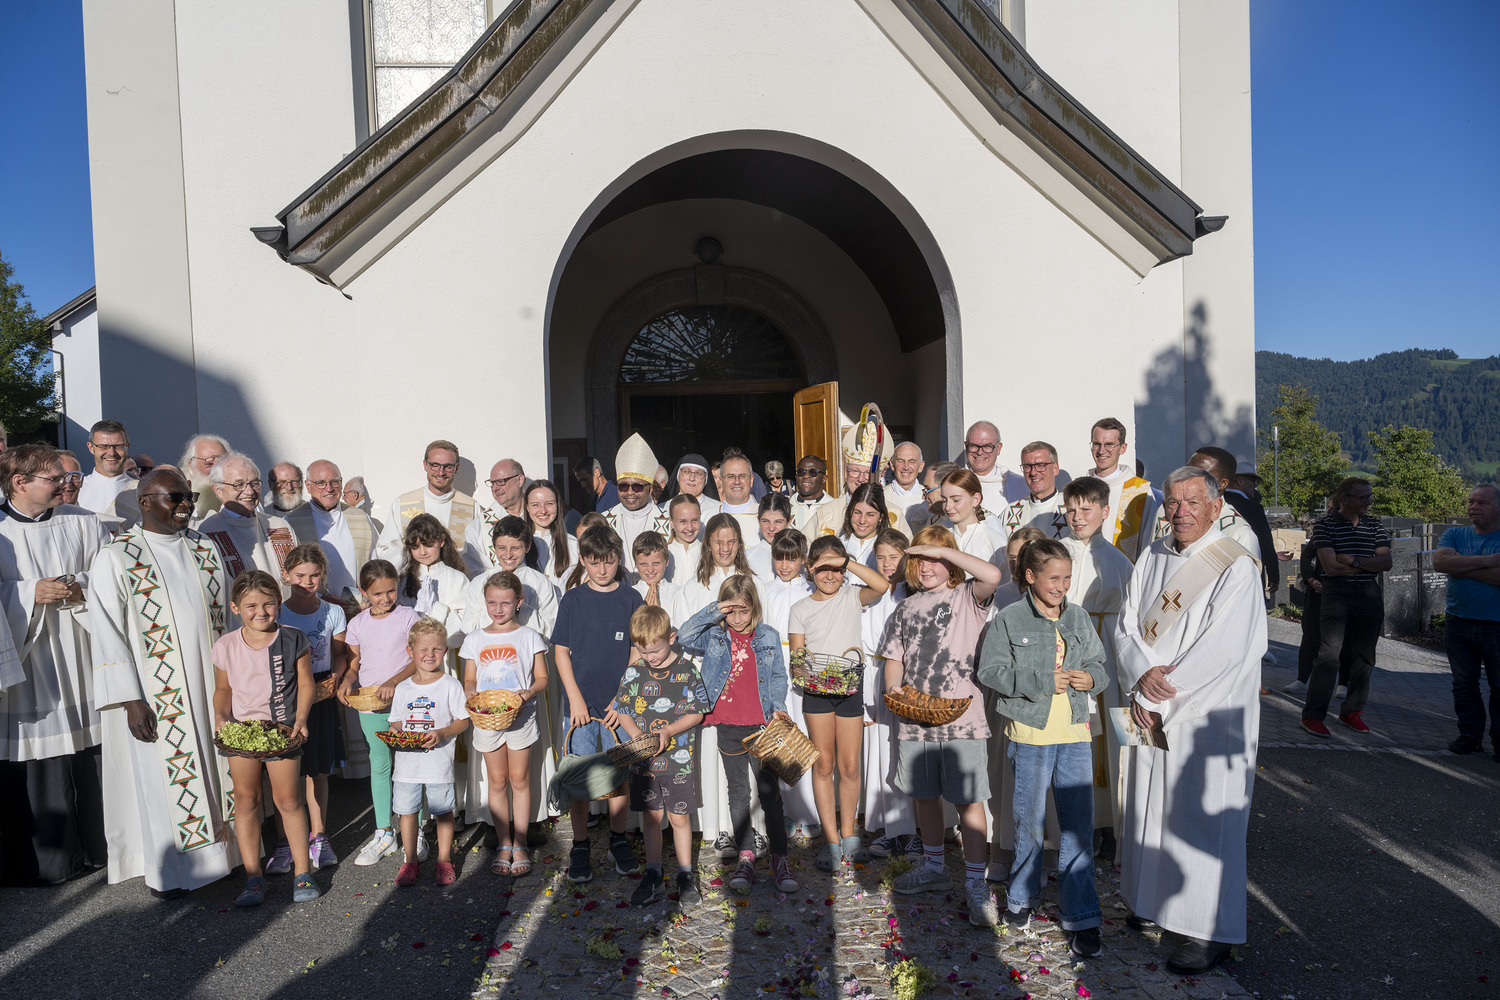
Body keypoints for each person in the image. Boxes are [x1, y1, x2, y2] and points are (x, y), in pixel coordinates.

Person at [1114, 466, 1266, 974]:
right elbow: (1126, 624)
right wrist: (1139, 674)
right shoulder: (1152, 555)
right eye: (1173, 502)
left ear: (1216, 505)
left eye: (1192, 502)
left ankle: (1206, 930)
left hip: (1205, 715)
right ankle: (1152, 903)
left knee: (1200, 819)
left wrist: (1157, 697)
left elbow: (1227, 652)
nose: (1180, 512)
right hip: (1148, 704)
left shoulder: (1234, 566)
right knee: (1148, 809)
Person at [90, 468, 237, 896]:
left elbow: (224, 620)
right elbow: (105, 630)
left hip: (211, 683)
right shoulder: (118, 555)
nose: (186, 504)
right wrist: (129, 698)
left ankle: (226, 858)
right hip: (158, 692)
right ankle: (174, 874)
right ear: (145, 502)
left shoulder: (204, 547)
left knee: (218, 765)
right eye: (175, 497)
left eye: (188, 496)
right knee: (165, 777)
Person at [978, 537, 1108, 954]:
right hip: (1031, 734)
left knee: (1077, 827)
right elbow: (991, 672)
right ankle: (1020, 899)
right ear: (1030, 576)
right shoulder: (1009, 619)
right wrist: (1040, 682)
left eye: (1067, 578)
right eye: (1054, 578)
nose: (1062, 586)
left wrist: (1092, 679)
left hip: (1074, 732)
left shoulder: (1079, 617)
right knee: (1029, 824)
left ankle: (1081, 915)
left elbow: (1099, 667)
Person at [880, 528, 1002, 927]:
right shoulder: (904, 608)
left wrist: (939, 548)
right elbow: (894, 657)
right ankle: (933, 867)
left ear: (951, 561)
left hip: (963, 716)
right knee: (924, 796)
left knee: (968, 800)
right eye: (921, 560)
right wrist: (894, 691)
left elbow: (993, 576)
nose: (928, 566)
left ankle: (975, 882)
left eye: (937, 559)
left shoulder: (967, 596)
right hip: (916, 718)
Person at [0, 444, 109, 884]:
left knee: (91, 753)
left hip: (80, 651)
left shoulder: (82, 522)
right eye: (52, 478)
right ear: (19, 482)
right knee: (40, 760)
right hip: (27, 664)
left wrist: (78, 586)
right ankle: (52, 864)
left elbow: (108, 574)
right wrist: (27, 594)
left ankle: (102, 848)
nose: (65, 484)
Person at [679, 575, 799, 894]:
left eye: (743, 611)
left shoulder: (768, 636)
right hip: (728, 725)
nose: (738, 618)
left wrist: (777, 707)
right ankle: (746, 855)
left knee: (769, 794)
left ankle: (779, 857)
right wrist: (715, 610)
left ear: (754, 608)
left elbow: (776, 677)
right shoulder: (716, 637)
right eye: (731, 612)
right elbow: (684, 635)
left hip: (761, 727)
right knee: (738, 793)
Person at [210, 569, 319, 906]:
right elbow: (223, 689)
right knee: (246, 801)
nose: (261, 612)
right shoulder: (226, 645)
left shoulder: (293, 638)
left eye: (269, 604)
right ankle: (253, 876)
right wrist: (221, 719)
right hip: (242, 735)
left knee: (288, 801)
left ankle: (302, 872)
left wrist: (301, 719)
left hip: (283, 731)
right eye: (251, 606)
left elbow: (305, 683)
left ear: (279, 604)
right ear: (235, 608)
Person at [789, 534, 889, 870]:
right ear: (810, 569)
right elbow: (798, 656)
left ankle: (850, 834)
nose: (829, 576)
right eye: (822, 569)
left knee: (849, 766)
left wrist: (844, 562)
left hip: (851, 689)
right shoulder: (800, 609)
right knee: (824, 765)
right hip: (817, 692)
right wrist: (810, 672)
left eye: (836, 569)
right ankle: (831, 840)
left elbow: (882, 585)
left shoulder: (852, 595)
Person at [552, 526, 644, 883]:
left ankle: (618, 840)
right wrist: (574, 697)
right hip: (580, 710)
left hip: (618, 709)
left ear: (618, 560)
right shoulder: (572, 600)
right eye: (595, 563)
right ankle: (580, 844)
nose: (603, 570)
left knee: (618, 776)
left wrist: (622, 700)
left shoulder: (632, 598)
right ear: (583, 560)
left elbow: (637, 652)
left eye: (609, 562)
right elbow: (561, 652)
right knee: (580, 777)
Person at [606, 604, 709, 906]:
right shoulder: (635, 671)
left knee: (679, 818)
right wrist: (637, 736)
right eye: (642, 651)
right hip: (644, 763)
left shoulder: (687, 670)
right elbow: (623, 710)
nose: (649, 658)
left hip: (678, 760)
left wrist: (668, 732)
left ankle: (686, 875)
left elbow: (698, 713)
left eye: (655, 651)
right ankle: (653, 874)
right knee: (651, 818)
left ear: (672, 638)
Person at [1059, 476, 1135, 854]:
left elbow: (1131, 619)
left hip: (1106, 654)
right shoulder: (1055, 552)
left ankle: (1109, 822)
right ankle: (1074, 822)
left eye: (1086, 509)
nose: (1077, 517)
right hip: (1065, 654)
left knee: (1108, 743)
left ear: (1105, 512)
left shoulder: (1119, 561)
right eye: (1071, 509)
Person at [461, 570, 549, 875]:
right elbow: (470, 677)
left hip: (520, 718)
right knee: (497, 781)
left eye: (505, 603)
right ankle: (503, 842)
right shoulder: (475, 639)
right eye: (492, 603)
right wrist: (471, 693)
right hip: (487, 720)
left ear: (519, 602)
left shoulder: (529, 637)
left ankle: (521, 842)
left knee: (520, 780)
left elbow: (542, 678)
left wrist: (528, 693)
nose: (498, 609)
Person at [342, 560, 422, 866]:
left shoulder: (407, 616)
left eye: (391, 591)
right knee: (380, 764)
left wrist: (393, 682)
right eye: (377, 594)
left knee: (412, 763)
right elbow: (353, 664)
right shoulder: (357, 624)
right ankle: (384, 831)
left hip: (406, 700)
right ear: (364, 593)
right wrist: (348, 681)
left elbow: (417, 658)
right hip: (372, 704)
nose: (386, 598)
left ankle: (419, 829)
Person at [1299, 477, 1391, 737]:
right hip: (1336, 594)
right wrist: (1367, 562)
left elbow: (1386, 562)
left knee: (1365, 656)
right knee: (1329, 654)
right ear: (1344, 499)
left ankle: (1351, 711)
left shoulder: (1374, 524)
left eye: (1369, 497)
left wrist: (1353, 559)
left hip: (1368, 594)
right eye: (1363, 497)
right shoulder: (1325, 525)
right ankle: (1312, 716)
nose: (1368, 502)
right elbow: (1330, 567)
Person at [277, 544, 347, 871]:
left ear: (323, 576)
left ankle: (319, 836)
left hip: (320, 694)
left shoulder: (333, 612)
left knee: (317, 769)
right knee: (286, 772)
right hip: (286, 694)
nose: (307, 581)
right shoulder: (276, 612)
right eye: (300, 575)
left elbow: (341, 654)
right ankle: (287, 841)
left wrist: (336, 677)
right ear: (286, 575)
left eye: (315, 575)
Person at [388, 617, 469, 887]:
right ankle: (410, 860)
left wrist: (442, 733)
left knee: (443, 811)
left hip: (438, 763)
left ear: (445, 651)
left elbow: (463, 721)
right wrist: (398, 734)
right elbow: (396, 722)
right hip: (407, 766)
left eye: (436, 649)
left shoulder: (450, 685)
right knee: (408, 812)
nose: (430, 655)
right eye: (423, 649)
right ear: (410, 651)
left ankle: (444, 859)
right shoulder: (403, 688)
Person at [1433, 484, 1500, 757]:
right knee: (1463, 684)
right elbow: (1441, 564)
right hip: (1458, 621)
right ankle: (1469, 736)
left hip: (1496, 624)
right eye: (1471, 501)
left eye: (1481, 503)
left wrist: (1462, 567)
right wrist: (1491, 561)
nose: (1473, 507)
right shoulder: (1455, 534)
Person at [860, 528, 915, 859]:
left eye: (894, 556)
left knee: (905, 751)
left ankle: (909, 830)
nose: (887, 563)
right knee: (879, 753)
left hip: (907, 675)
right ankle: (885, 827)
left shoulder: (912, 594)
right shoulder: (869, 594)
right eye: (880, 557)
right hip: (874, 673)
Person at [199, 454, 297, 611]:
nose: (249, 491)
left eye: (254, 483)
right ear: (218, 490)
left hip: (288, 626)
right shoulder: (207, 534)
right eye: (238, 485)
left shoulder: (280, 526)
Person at [284, 460, 379, 611]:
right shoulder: (291, 522)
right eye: (320, 483)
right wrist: (320, 597)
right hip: (313, 608)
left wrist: (371, 592)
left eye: (334, 482)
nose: (329, 488)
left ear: (341, 483)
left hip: (358, 608)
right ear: (308, 486)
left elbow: (376, 561)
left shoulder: (360, 518)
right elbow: (286, 573)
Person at [377, 440, 482, 572]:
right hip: (413, 584)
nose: (441, 472)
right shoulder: (403, 503)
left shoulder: (472, 507)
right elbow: (386, 547)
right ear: (425, 465)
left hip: (456, 585)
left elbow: (478, 555)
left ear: (457, 467)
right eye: (435, 465)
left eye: (448, 466)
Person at [1194, 446, 1277, 602]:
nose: (1255, 486)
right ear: (1238, 481)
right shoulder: (1252, 508)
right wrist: (1273, 574)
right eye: (1252, 481)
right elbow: (1264, 542)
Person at [458, 517, 559, 638]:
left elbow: (550, 631)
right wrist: (494, 609)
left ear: (527, 547)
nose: (508, 555)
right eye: (502, 548)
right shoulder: (479, 582)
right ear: (494, 547)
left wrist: (522, 610)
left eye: (515, 548)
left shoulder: (540, 583)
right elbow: (467, 629)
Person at [601, 434, 672, 574]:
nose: (629, 492)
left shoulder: (667, 520)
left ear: (650, 489)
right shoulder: (604, 521)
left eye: (637, 487)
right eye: (623, 486)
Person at [1086, 418, 1154, 559]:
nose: (1101, 450)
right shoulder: (1081, 487)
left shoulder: (1140, 490)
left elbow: (1149, 542)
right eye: (1097, 444)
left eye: (1109, 444)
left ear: (1122, 448)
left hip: (1122, 574)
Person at [395, 513, 469, 642]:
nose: (422, 552)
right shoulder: (405, 581)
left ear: (441, 541)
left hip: (447, 653)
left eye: (428, 545)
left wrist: (436, 609)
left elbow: (467, 624)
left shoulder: (457, 579)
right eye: (415, 547)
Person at [813, 423, 896, 537]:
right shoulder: (825, 512)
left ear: (878, 476)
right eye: (855, 471)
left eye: (867, 473)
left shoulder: (894, 514)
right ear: (846, 472)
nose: (860, 479)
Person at [466, 459, 528, 570]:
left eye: (500, 481)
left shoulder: (538, 516)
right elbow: (474, 571)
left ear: (520, 480)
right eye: (492, 483)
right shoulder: (477, 527)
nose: (495, 488)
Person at [1003, 442, 1068, 539]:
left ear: (1055, 468)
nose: (1033, 472)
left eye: (1041, 465)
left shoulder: (1069, 508)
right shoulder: (1011, 511)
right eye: (1027, 466)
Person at [524, 479, 577, 592]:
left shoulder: (574, 545)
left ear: (557, 505)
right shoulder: (518, 547)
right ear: (527, 507)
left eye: (549, 504)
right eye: (535, 505)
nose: (543, 511)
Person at [962, 420, 1028, 511]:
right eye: (973, 446)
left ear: (999, 448)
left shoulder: (1020, 485)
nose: (980, 452)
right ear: (966, 446)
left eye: (987, 446)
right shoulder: (953, 483)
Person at [940, 467, 1001, 564]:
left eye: (956, 500)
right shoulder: (939, 536)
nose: (947, 507)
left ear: (975, 499)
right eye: (944, 500)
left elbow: (1005, 577)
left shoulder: (993, 539)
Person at [631, 531, 691, 626]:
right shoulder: (630, 594)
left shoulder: (677, 594)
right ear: (636, 564)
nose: (650, 570)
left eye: (656, 563)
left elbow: (681, 630)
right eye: (643, 564)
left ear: (666, 562)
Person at [835, 483, 891, 581]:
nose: (862, 521)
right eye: (857, 512)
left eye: (870, 515)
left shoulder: (889, 547)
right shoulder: (838, 544)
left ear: (881, 517)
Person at [78, 419, 134, 515]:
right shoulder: (77, 489)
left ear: (127, 447)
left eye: (118, 446)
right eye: (103, 446)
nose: (112, 453)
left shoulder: (142, 490)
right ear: (91, 448)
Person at [179, 433, 230, 524]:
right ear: (192, 465)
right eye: (209, 464)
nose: (216, 470)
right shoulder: (180, 501)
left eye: (222, 463)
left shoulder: (243, 494)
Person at [744, 492, 791, 581]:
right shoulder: (747, 557)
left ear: (788, 522)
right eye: (765, 521)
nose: (771, 528)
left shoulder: (799, 555)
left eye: (778, 522)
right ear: (758, 520)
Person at [718, 454, 761, 537]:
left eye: (742, 476)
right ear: (721, 481)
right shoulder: (707, 516)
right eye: (730, 476)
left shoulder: (765, 517)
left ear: (751, 480)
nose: (737, 482)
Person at [664, 494, 704, 586]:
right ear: (671, 522)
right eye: (683, 521)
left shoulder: (707, 551)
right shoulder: (665, 552)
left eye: (694, 520)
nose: (689, 528)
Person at [789, 455, 834, 534]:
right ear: (796, 476)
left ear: (824, 479)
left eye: (813, 472)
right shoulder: (787, 507)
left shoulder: (834, 508)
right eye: (801, 472)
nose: (806, 476)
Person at [671, 454, 722, 519]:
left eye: (699, 473)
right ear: (678, 475)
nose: (692, 478)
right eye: (686, 472)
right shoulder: (663, 509)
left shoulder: (719, 510)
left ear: (705, 479)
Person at [884, 442, 926, 518]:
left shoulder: (929, 498)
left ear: (921, 466)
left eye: (912, 461)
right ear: (892, 465)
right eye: (901, 461)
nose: (906, 467)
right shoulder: (882, 496)